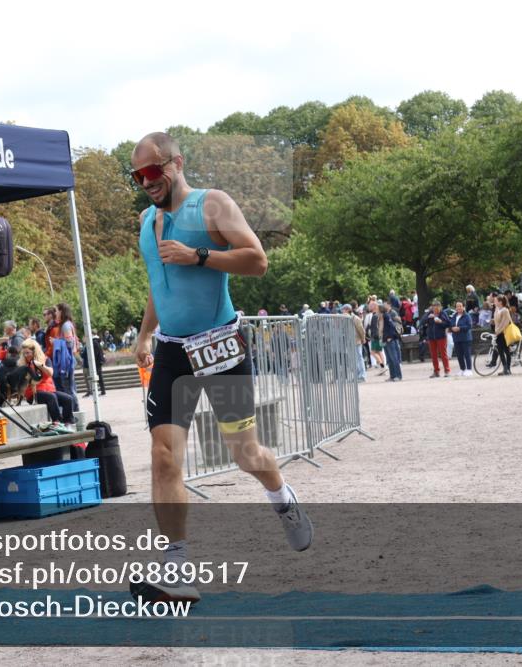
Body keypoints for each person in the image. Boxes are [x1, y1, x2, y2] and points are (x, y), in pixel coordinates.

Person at [131, 131, 312, 603]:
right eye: (138, 176)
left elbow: (258, 260)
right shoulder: (147, 223)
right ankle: (176, 568)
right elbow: (158, 284)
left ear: (177, 163)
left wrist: (199, 256)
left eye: (154, 171)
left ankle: (282, 496)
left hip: (219, 346)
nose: (147, 182)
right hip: (172, 351)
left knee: (245, 454)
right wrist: (146, 333)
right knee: (163, 455)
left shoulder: (212, 205)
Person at [19, 340, 76, 429]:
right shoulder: (23, 365)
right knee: (51, 397)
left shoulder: (45, 359)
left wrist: (41, 365)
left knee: (68, 399)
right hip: (33, 394)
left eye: (28, 353)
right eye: (24, 353)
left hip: (49, 390)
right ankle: (57, 421)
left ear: (35, 351)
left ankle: (68, 422)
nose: (26, 355)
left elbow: (50, 373)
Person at [422, 300, 451, 377]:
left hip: (441, 336)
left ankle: (447, 371)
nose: (435, 308)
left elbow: (448, 324)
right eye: (434, 306)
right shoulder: (429, 313)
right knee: (433, 355)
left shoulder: (443, 313)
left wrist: (440, 321)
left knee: (443, 354)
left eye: (437, 306)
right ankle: (436, 371)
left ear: (440, 307)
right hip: (431, 337)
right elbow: (422, 321)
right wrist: (428, 317)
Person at [342, 303, 367, 382]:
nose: (342, 312)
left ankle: (362, 376)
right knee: (353, 359)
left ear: (347, 310)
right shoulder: (345, 318)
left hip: (356, 341)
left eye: (343, 310)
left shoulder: (355, 318)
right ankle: (357, 375)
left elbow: (361, 330)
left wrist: (363, 339)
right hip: (349, 341)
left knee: (359, 358)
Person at [449, 302, 473, 376]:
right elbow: (450, 325)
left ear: (463, 307)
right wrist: (452, 328)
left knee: (467, 354)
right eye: (457, 306)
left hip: (465, 338)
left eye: (460, 306)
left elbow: (469, 326)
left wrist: (459, 328)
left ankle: (469, 369)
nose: (458, 308)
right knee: (459, 355)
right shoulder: (454, 316)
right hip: (456, 338)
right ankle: (462, 369)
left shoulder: (467, 316)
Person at [380, 304, 403, 381]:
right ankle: (392, 375)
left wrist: (390, 336)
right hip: (385, 339)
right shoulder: (383, 316)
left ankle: (398, 375)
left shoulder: (386, 316)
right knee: (389, 359)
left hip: (390, 339)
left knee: (394, 358)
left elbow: (392, 326)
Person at [493, 295, 513, 375]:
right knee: (501, 351)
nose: (494, 302)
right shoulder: (498, 309)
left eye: (496, 301)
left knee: (506, 351)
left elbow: (505, 323)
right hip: (499, 333)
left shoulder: (505, 310)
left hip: (503, 333)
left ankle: (507, 368)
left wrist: (498, 331)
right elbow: (497, 321)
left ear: (500, 302)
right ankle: (505, 368)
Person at [366, 301, 387, 375]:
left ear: (374, 306)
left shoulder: (375, 316)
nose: (368, 307)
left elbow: (375, 328)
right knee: (379, 352)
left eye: (370, 305)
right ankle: (383, 367)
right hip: (378, 336)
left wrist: (374, 336)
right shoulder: (378, 315)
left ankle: (382, 366)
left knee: (373, 352)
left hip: (375, 336)